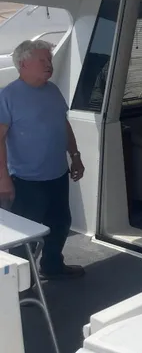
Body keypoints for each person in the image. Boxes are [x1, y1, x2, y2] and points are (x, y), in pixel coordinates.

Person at [0, 39, 85, 279]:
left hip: (58, 174)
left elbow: (63, 125)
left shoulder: (53, 91)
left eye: (50, 59)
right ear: (23, 64)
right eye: (43, 60)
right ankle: (21, 283)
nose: (49, 64)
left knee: (60, 224)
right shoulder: (8, 96)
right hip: (26, 180)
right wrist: (3, 179)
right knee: (25, 235)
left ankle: (52, 266)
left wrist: (75, 156)